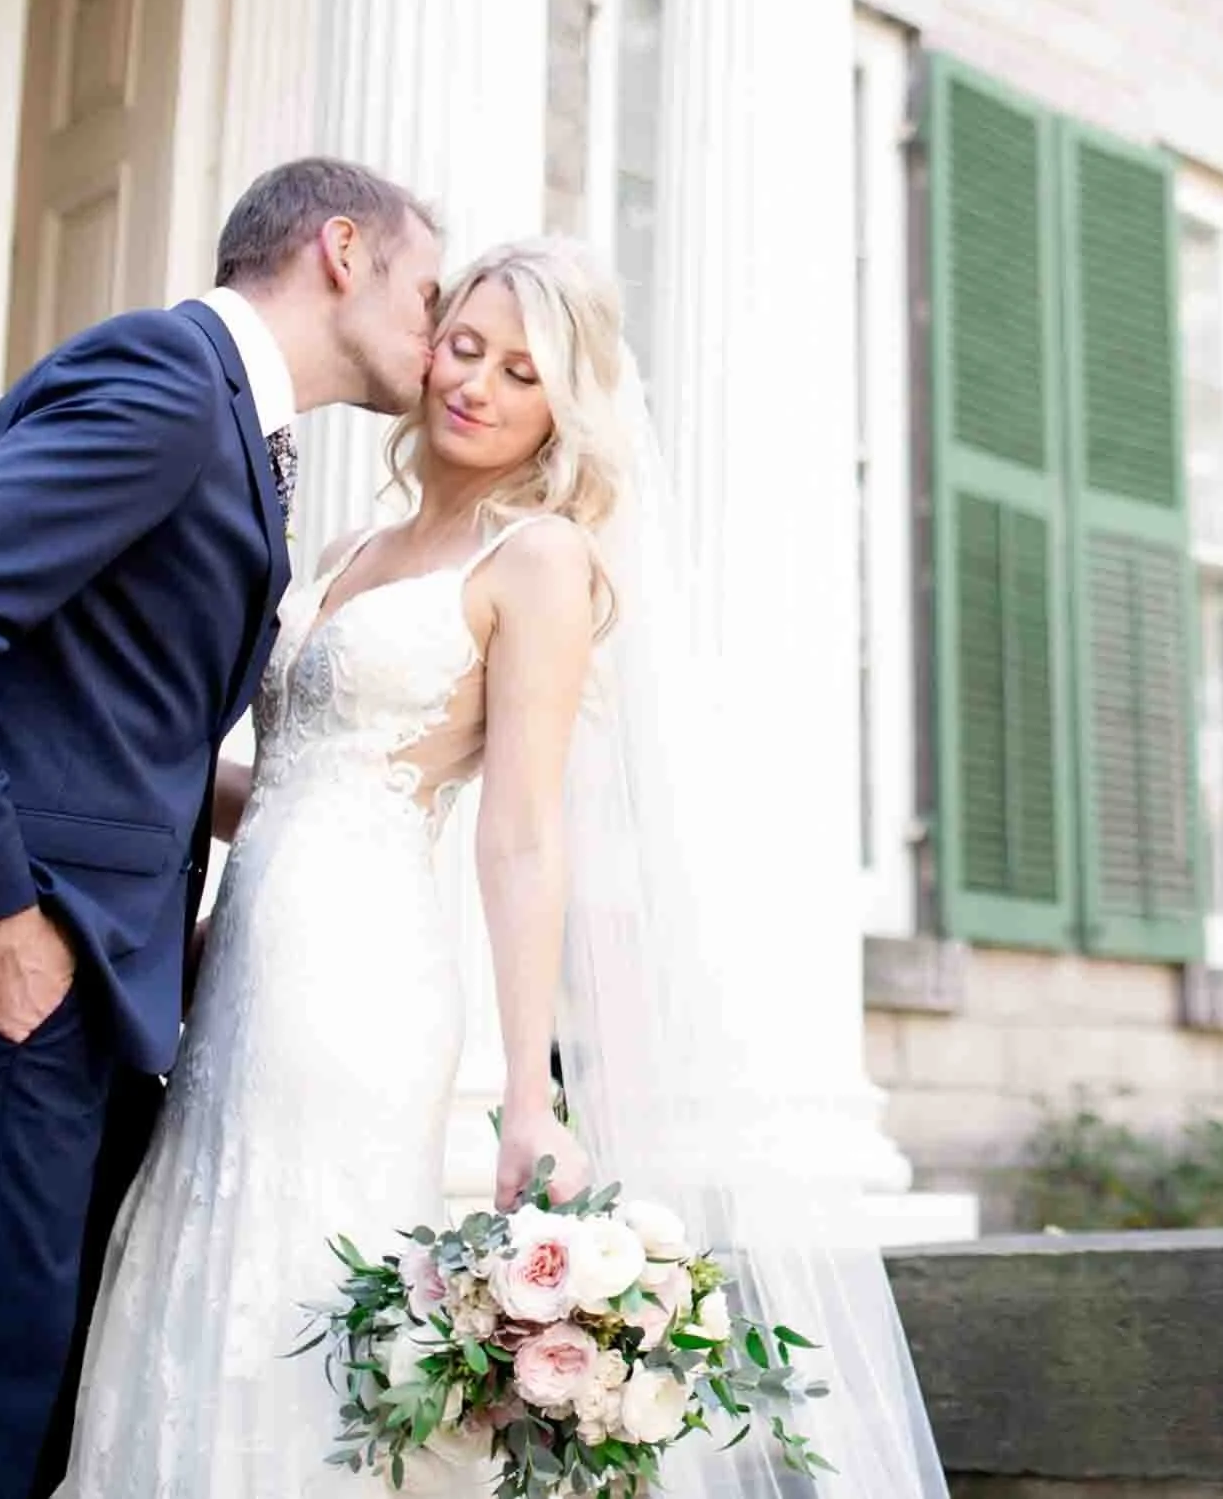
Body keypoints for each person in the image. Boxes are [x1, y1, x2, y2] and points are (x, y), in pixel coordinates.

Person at [56, 237, 949, 1496]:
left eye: (520, 370)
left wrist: (529, 1095)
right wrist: (86, 756)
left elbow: (522, 831)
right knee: (198, 1238)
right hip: (245, 942)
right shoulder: (354, 546)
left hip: (357, 974)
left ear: (562, 404)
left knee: (292, 1257)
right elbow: (301, 775)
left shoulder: (537, 560)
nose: (474, 383)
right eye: (463, 346)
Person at [0, 157, 442, 1499]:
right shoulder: (169, 380)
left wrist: (331, 801)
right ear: (342, 248)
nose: (439, 341)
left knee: (1, 1415)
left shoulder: (229, 424)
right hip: (3, 981)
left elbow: (92, 708)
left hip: (80, 990)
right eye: (430, 297)